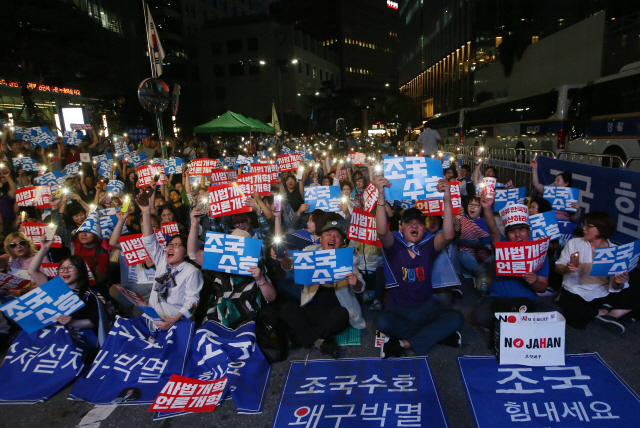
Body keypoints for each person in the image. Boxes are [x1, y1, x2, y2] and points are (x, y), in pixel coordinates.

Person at [373, 175, 464, 357]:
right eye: (409, 223)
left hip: (426, 308)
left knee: (457, 318)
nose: (415, 225)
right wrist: (381, 195)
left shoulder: (429, 245)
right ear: (401, 227)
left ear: (424, 228)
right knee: (381, 322)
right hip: (397, 309)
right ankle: (437, 336)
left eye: (419, 223)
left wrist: (447, 199)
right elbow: (382, 231)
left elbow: (447, 235)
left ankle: (403, 343)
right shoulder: (394, 245)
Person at [276, 221, 365, 359]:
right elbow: (291, 265)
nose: (332, 238)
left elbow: (360, 286)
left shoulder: (348, 259)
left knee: (342, 315)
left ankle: (302, 338)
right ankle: (319, 342)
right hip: (311, 308)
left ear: (342, 242)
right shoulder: (310, 252)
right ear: (321, 239)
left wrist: (355, 282)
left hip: (335, 311)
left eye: (337, 236)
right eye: (328, 234)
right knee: (286, 309)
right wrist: (283, 260)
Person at [474, 201, 560, 330]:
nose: (518, 234)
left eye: (521, 230)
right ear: (507, 235)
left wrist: (534, 281)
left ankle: (506, 327)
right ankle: (516, 327)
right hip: (498, 299)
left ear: (528, 231)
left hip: (528, 300)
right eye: (512, 231)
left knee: (556, 312)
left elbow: (542, 287)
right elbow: (492, 230)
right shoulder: (501, 245)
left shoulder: (538, 250)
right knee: (480, 316)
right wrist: (486, 207)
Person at [556, 211, 640, 334]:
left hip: (603, 292)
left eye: (588, 226)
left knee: (637, 287)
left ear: (602, 228)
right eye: (584, 225)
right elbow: (558, 267)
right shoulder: (574, 244)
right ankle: (603, 313)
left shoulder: (614, 250)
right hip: (577, 291)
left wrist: (619, 281)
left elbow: (616, 286)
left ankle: (612, 314)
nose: (584, 229)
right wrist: (566, 268)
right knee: (570, 311)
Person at [138, 191, 203, 330]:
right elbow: (149, 240)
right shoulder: (162, 261)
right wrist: (146, 212)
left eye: (176, 245)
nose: (170, 248)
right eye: (169, 245)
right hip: (151, 320)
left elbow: (193, 302)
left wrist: (173, 321)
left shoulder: (192, 272)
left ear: (186, 253)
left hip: (175, 325)